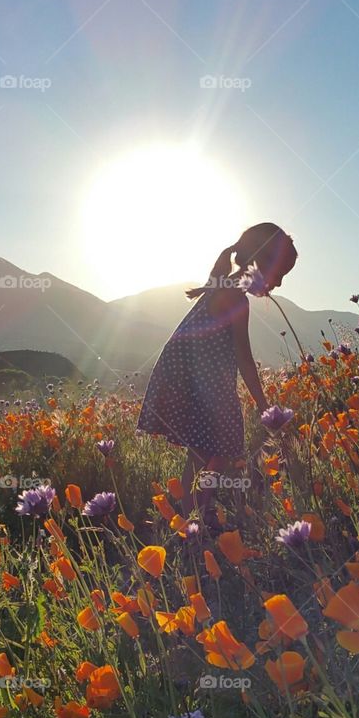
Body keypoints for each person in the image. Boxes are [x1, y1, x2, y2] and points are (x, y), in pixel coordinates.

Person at [136, 222, 297, 520]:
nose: (279, 283)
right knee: (206, 450)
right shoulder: (235, 298)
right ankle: (192, 520)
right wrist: (264, 406)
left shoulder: (222, 288)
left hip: (193, 375)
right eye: (280, 274)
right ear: (263, 263)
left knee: (216, 448)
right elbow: (244, 359)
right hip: (194, 379)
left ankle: (198, 512)